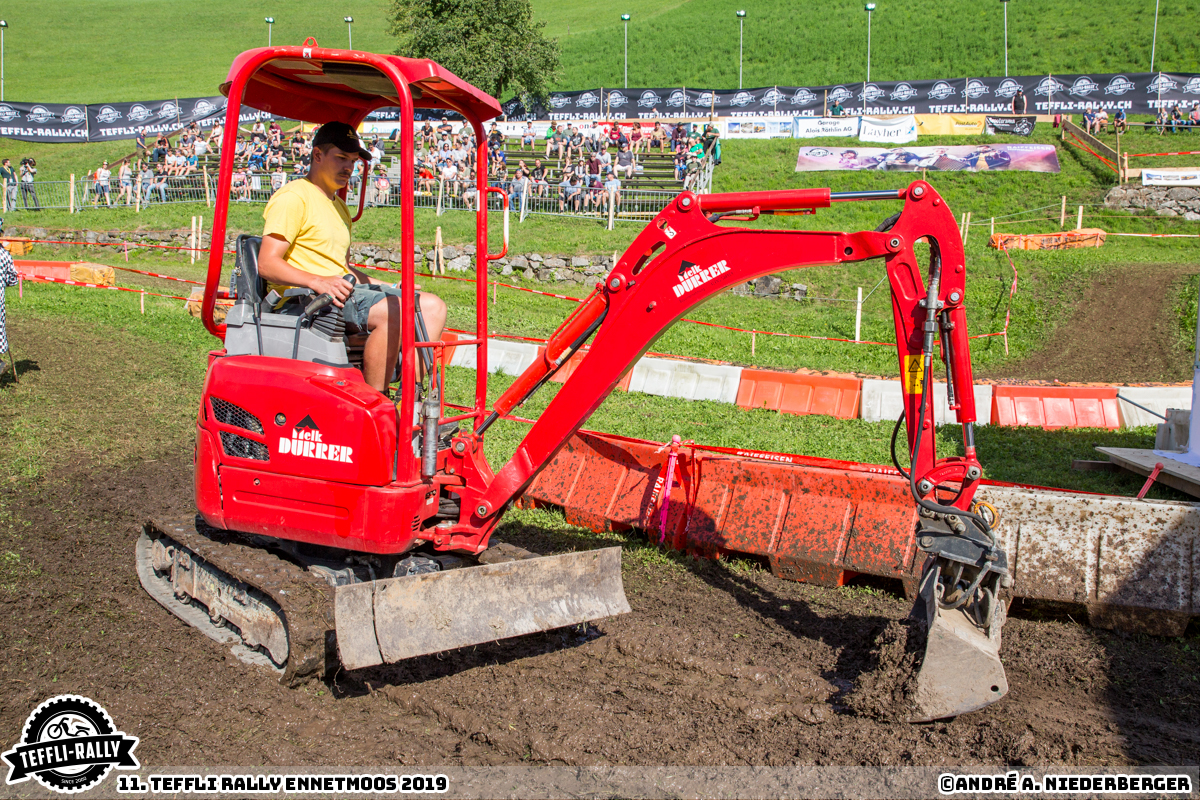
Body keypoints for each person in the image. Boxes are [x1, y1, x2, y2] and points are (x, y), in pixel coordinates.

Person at [258, 122, 446, 394]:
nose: (349, 167)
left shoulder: (339, 207)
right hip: (306, 299)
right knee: (396, 310)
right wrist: (319, 281)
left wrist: (388, 286)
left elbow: (342, 268)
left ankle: (411, 402)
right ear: (317, 155)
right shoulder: (293, 197)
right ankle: (377, 400)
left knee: (432, 307)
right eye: (341, 158)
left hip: (339, 292)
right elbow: (267, 263)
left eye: (354, 161)